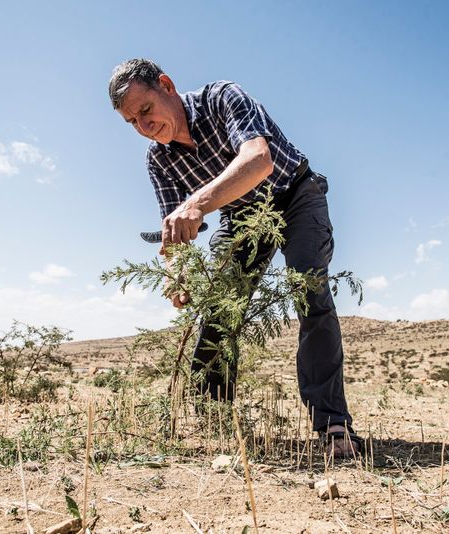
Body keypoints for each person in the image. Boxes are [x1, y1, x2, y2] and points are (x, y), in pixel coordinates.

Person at [108, 58, 361, 457]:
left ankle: (332, 424)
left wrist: (197, 203)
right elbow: (174, 232)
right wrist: (178, 274)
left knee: (309, 295)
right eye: (132, 123)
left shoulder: (221, 97)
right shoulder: (159, 160)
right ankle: (214, 421)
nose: (144, 126)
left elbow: (258, 160)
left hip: (295, 195)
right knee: (219, 307)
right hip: (240, 217)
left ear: (167, 85)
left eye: (145, 110)